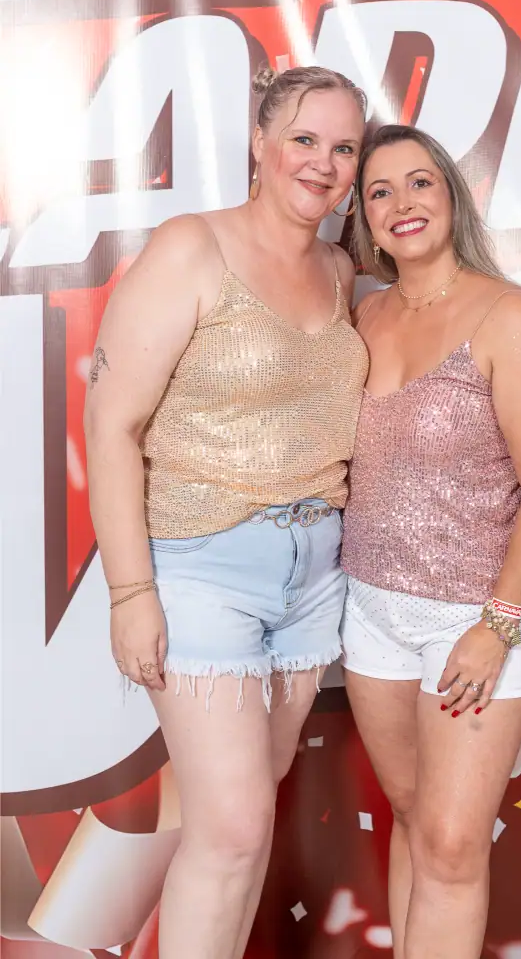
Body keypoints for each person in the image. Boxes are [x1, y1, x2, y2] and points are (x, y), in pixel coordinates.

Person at [84, 65, 368, 959]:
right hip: (201, 567)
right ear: (259, 141)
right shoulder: (191, 248)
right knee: (233, 830)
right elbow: (112, 425)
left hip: (314, 577)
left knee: (247, 825)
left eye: (344, 148)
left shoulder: (339, 268)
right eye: (304, 139)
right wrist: (131, 592)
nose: (323, 163)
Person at [339, 124, 521, 959]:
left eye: (419, 182)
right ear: (366, 221)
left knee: (448, 843)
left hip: (478, 617)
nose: (401, 203)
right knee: (411, 817)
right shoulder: (364, 315)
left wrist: (496, 625)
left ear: (451, 196)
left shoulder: (508, 316)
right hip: (371, 610)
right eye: (379, 191)